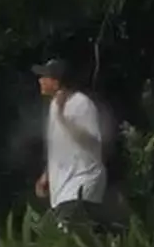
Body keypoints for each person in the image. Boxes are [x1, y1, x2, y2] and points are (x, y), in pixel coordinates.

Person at [32, 58, 108, 232]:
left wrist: (62, 117)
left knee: (70, 240)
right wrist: (47, 175)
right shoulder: (54, 107)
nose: (40, 80)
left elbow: (92, 140)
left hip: (82, 183)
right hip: (64, 188)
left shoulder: (81, 104)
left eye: (45, 76)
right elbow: (60, 145)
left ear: (56, 81)